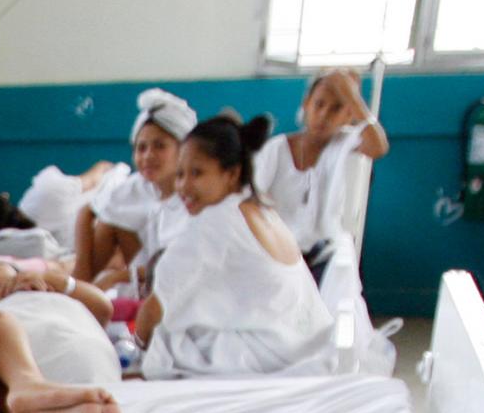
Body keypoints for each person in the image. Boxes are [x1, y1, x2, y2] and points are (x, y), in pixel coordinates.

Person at [135, 114, 337, 380]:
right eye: (180, 174)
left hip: (269, 354)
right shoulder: (260, 208)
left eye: (197, 173)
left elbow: (153, 308)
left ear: (231, 174)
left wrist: (138, 349)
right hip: (303, 343)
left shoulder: (215, 222)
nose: (183, 186)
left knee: (166, 340)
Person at [253, 70, 390, 285]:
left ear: (348, 116)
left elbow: (378, 146)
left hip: (322, 258)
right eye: (319, 105)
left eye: (337, 108)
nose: (324, 115)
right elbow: (253, 201)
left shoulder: (344, 145)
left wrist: (353, 97)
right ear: (306, 104)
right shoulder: (277, 149)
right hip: (276, 255)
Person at [76, 89, 198, 297]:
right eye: (141, 148)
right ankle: (77, 293)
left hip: (181, 288)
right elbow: (87, 211)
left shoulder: (197, 197)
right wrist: (80, 280)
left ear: (183, 149)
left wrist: (116, 278)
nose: (148, 156)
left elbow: (181, 268)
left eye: (160, 146)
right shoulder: (135, 188)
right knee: (108, 223)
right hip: (143, 280)